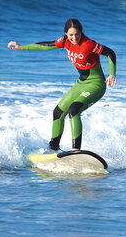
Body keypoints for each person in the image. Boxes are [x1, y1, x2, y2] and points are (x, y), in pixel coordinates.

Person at [8, 19, 116, 151]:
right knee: (58, 113)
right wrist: (22, 47)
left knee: (74, 110)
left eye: (77, 34)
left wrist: (112, 74)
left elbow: (110, 53)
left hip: (96, 84)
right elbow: (46, 45)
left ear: (81, 32)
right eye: (71, 35)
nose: (74, 38)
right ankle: (53, 148)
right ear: (66, 34)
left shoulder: (89, 44)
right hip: (81, 83)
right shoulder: (65, 41)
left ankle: (76, 150)